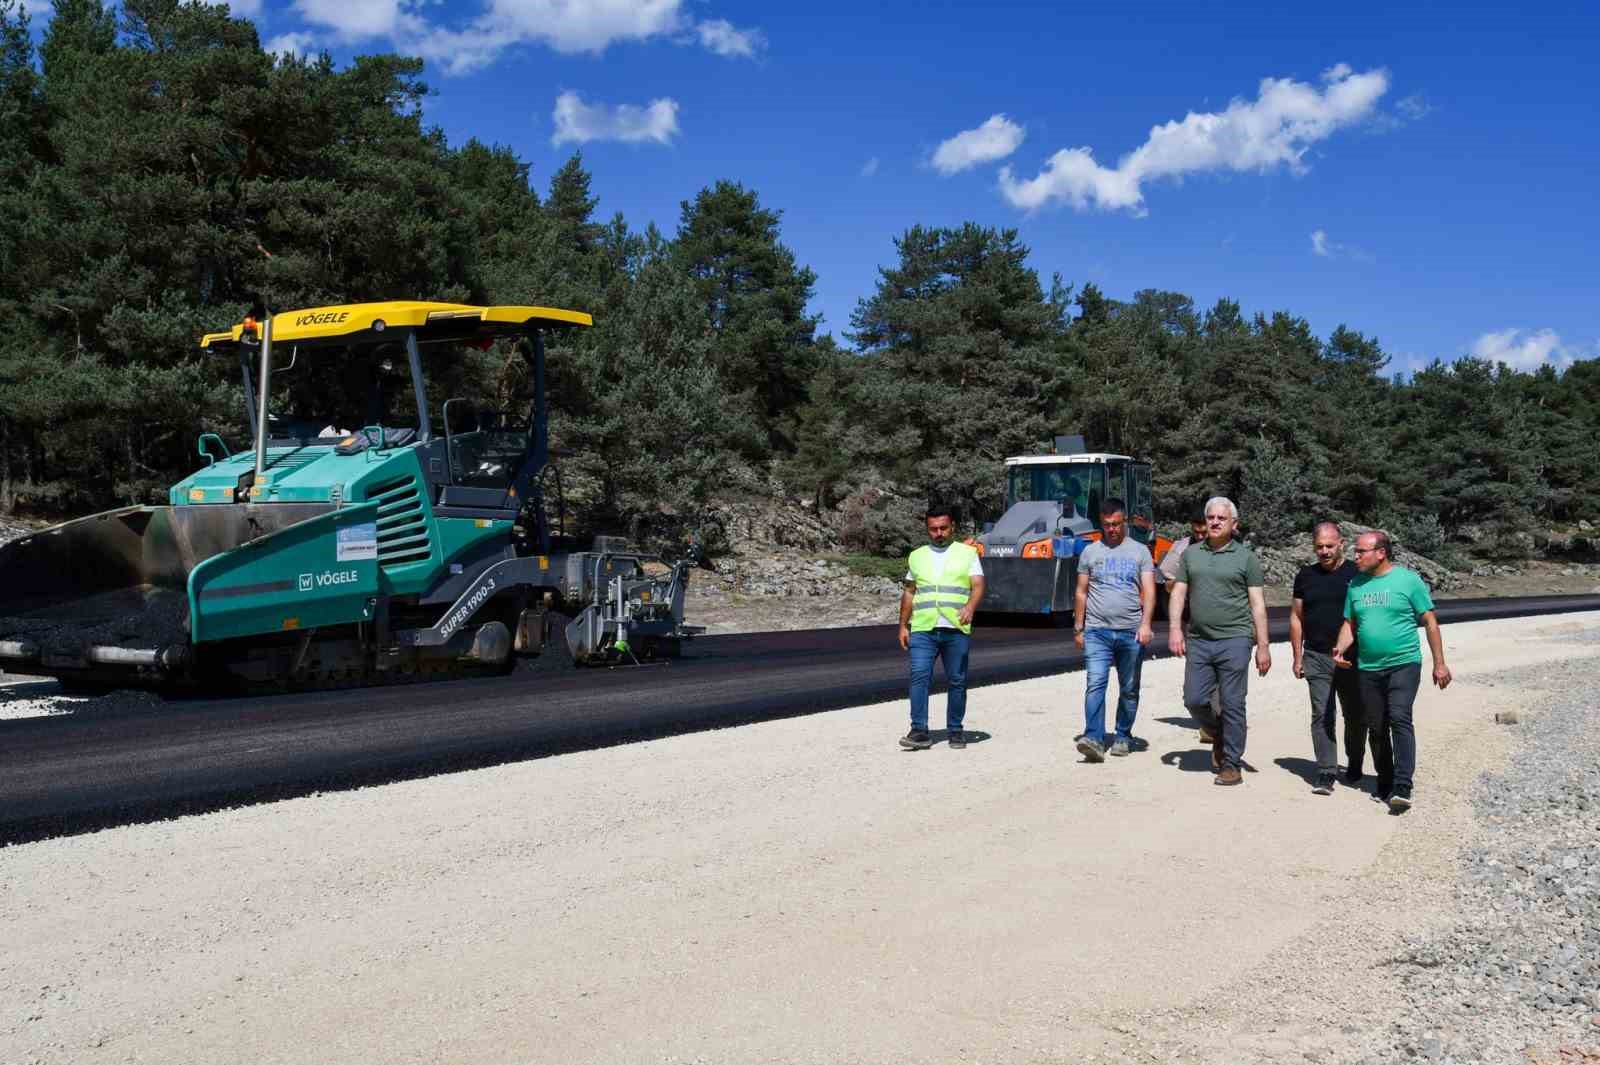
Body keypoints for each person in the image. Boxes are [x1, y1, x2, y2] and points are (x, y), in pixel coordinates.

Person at [1333, 530, 1452, 811]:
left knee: (1399, 717)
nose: (1356, 556)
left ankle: (1402, 784)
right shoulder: (1356, 585)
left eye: (1362, 551)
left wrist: (1440, 663)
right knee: (1376, 726)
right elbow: (1350, 624)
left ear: (1381, 553)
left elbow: (1430, 622)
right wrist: (1340, 649)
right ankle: (1384, 780)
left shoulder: (1408, 581)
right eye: (1356, 551)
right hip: (1368, 667)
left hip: (1404, 663)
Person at [1166, 497, 1271, 786]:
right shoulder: (1191, 555)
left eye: (1220, 519)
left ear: (1234, 525)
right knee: (1194, 699)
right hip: (1199, 640)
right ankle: (1220, 733)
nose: (1213, 522)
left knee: (1233, 703)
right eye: (1210, 517)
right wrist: (1175, 629)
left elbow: (1258, 605)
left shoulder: (1246, 558)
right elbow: (1178, 593)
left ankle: (1231, 763)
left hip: (1236, 639)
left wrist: (1263, 646)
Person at [1073, 498, 1157, 762]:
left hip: (1130, 631)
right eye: (1107, 525)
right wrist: (1079, 627)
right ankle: (1094, 738)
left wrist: (1146, 624)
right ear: (1101, 523)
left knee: (1129, 687)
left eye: (1117, 524)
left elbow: (1150, 591)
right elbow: (1081, 591)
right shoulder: (1090, 552)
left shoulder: (1139, 551)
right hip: (1096, 630)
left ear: (1125, 522)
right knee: (1095, 682)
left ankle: (1122, 735)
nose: (1112, 529)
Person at [898, 503, 986, 750]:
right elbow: (909, 592)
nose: (939, 533)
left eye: (943, 528)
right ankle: (919, 731)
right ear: (928, 529)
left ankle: (956, 731)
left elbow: (978, 585)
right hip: (923, 628)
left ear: (952, 527)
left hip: (956, 627)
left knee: (957, 679)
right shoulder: (916, 556)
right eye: (933, 529)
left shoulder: (967, 554)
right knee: (919, 677)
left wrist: (970, 607)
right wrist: (903, 626)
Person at [1290, 522, 1365, 795]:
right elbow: (1296, 618)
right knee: (1322, 713)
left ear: (1341, 543)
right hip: (1316, 655)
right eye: (1319, 546)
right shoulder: (1305, 576)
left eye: (1329, 546)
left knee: (1355, 714)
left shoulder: (1357, 574)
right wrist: (1297, 656)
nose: (1324, 551)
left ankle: (1355, 761)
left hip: (1352, 657)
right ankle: (1326, 771)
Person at [1159, 509, 1220, 743]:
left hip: (1222, 617)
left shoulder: (1227, 545)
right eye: (1196, 532)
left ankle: (1216, 724)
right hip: (1194, 616)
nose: (1201, 536)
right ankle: (1210, 723)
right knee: (1202, 674)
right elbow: (1167, 582)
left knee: (1221, 675)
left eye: (1204, 531)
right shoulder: (1181, 548)